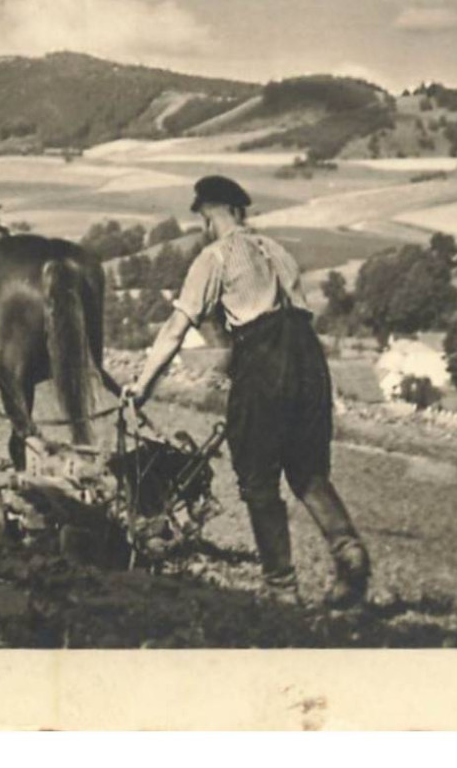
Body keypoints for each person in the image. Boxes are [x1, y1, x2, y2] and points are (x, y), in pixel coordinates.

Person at [126, 175, 371, 608]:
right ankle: (348, 550)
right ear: (241, 211)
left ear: (206, 216)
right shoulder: (279, 252)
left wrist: (143, 385)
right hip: (310, 360)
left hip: (264, 360)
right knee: (308, 471)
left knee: (258, 478)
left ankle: (280, 588)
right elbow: (295, 314)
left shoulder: (214, 256)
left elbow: (175, 329)